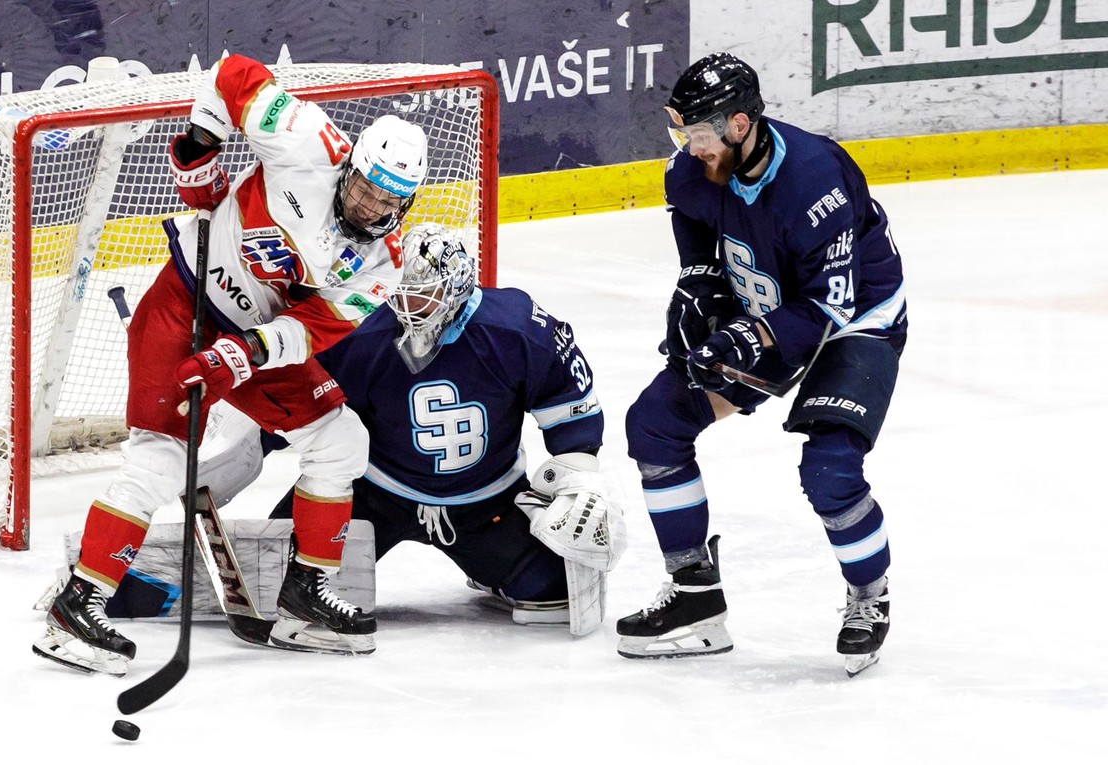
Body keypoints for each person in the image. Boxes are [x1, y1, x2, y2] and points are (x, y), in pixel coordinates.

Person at [33, 53, 428, 674]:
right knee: (160, 461)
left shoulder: (383, 263)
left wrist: (240, 356)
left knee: (341, 440)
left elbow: (314, 328)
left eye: (386, 202)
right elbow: (231, 73)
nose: (368, 206)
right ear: (348, 164)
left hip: (252, 342)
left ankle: (303, 601)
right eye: (362, 187)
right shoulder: (306, 141)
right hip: (184, 301)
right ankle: (77, 606)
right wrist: (202, 154)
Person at [617, 53, 906, 676]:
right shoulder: (693, 169)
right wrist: (701, 281)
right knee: (655, 425)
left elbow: (828, 307)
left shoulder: (816, 181)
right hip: (770, 304)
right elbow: (691, 218)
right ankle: (694, 597)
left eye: (697, 134)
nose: (687, 148)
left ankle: (870, 596)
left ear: (740, 125)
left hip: (854, 320)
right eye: (683, 132)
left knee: (829, 467)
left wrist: (751, 335)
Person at [267, 223, 625, 635]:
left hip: (485, 504)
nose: (407, 305)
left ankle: (491, 565)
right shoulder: (359, 332)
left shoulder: (515, 329)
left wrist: (578, 476)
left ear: (455, 287)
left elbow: (572, 415)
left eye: (422, 293)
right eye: (399, 292)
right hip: (374, 494)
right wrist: (234, 455)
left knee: (551, 591)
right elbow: (292, 412)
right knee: (279, 580)